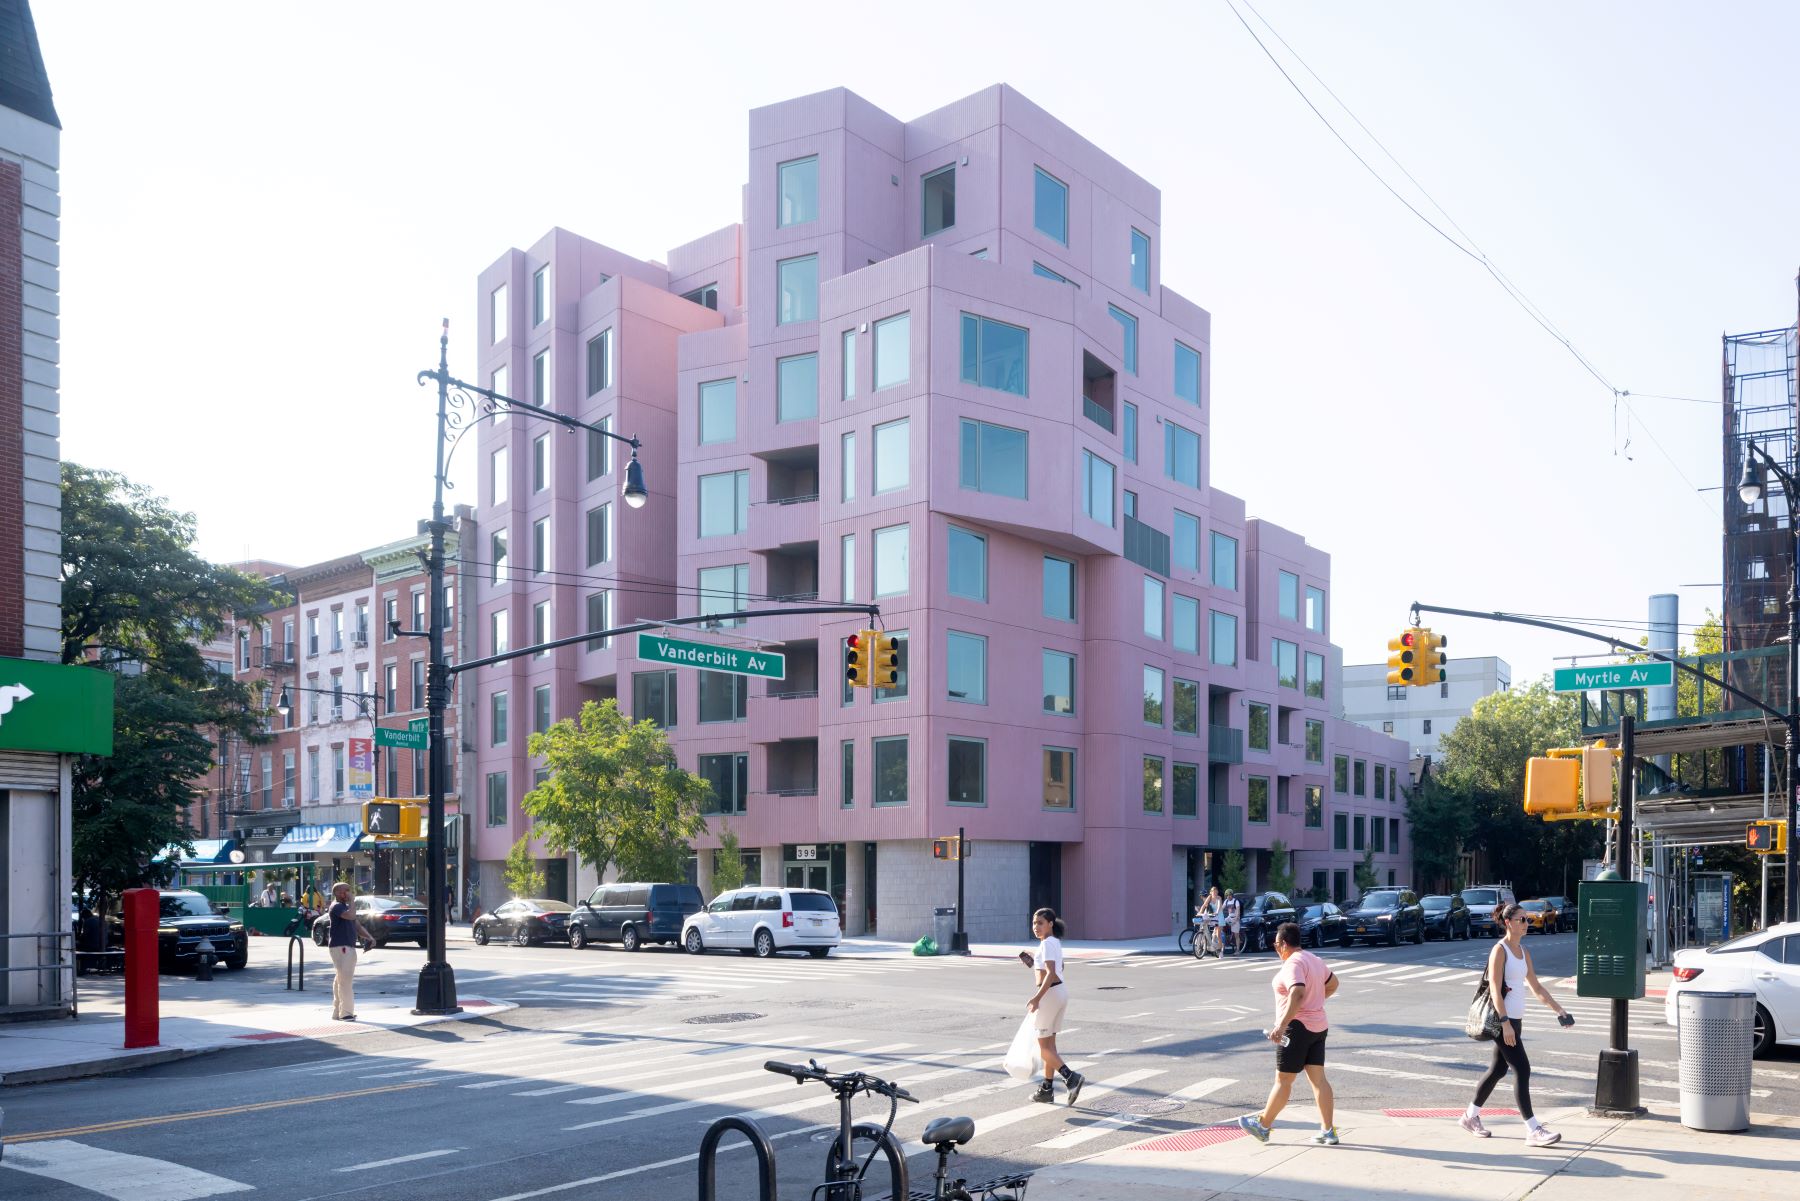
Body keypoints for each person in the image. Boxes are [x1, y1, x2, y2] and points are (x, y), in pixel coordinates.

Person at [1460, 903, 1572, 1146]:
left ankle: (1470, 1116)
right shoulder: (1499, 951)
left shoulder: (1523, 951)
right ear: (1508, 922)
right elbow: (1494, 989)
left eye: (1527, 920)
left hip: (1516, 1020)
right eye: (1521, 920)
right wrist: (1505, 1023)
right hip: (1504, 1021)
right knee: (1522, 1069)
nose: (1526, 924)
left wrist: (1559, 1010)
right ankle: (1533, 1129)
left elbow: (1536, 987)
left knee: (1498, 1070)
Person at [1239, 921, 1339, 1145]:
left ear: (1284, 944)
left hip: (1297, 1027)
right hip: (1318, 1026)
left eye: (1276, 944)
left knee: (1283, 1079)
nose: (1276, 949)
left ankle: (1263, 1125)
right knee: (1319, 1080)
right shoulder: (1314, 960)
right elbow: (1333, 983)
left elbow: (1298, 992)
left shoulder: (1292, 963)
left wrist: (1282, 1025)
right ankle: (1328, 1130)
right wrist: (1316, 1002)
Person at [1023, 907, 1084, 1105]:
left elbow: (1050, 974)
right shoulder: (1054, 943)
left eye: (1040, 923)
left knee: (1043, 1048)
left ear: (1050, 924)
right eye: (1034, 923)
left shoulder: (1047, 944)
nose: (1036, 927)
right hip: (1060, 993)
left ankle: (1071, 1077)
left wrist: (1036, 998)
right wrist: (1035, 962)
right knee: (1050, 1046)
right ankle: (1046, 1089)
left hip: (1049, 995)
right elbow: (1059, 968)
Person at [327, 882, 375, 1021]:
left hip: (345, 946)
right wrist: (353, 901)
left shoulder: (344, 907)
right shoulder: (336, 906)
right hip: (341, 946)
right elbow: (351, 916)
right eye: (345, 891)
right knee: (345, 980)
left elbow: (357, 925)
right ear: (337, 893)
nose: (348, 893)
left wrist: (369, 937)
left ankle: (338, 1011)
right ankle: (346, 1013)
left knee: (341, 978)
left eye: (349, 890)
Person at [1222, 889, 1243, 954]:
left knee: (1236, 935)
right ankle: (1226, 937)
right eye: (1227, 895)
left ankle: (1238, 950)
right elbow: (1221, 909)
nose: (1228, 896)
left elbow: (1238, 912)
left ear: (1232, 895)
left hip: (1235, 918)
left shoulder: (1236, 901)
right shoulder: (1226, 901)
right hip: (1229, 917)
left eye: (1230, 895)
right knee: (1220, 925)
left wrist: (1236, 919)